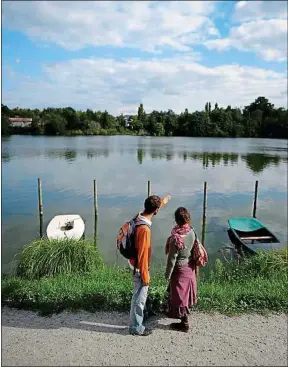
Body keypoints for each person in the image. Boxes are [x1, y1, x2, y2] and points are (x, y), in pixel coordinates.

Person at [129, 194, 171, 336]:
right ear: (156, 210)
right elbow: (142, 254)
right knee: (139, 297)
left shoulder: (139, 216)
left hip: (134, 262)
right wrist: (145, 275)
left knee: (141, 294)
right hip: (140, 266)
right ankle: (136, 327)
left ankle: (144, 314)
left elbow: (152, 210)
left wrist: (163, 202)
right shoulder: (145, 230)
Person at [164, 207, 197, 332]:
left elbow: (172, 260)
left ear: (176, 220)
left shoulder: (176, 238)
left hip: (179, 268)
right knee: (185, 294)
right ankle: (173, 313)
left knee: (179, 295)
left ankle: (184, 323)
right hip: (189, 266)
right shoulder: (192, 231)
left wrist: (167, 274)